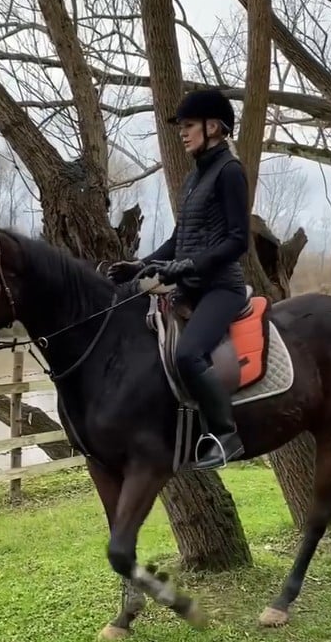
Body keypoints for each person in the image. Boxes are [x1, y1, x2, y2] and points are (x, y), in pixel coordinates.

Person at [107, 88, 249, 469]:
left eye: (188, 126)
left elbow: (238, 241)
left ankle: (225, 435)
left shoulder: (230, 172)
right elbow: (177, 240)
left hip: (222, 289)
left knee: (188, 354)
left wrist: (187, 267)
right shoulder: (193, 179)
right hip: (192, 288)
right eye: (181, 127)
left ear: (214, 127)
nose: (182, 133)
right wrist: (140, 265)